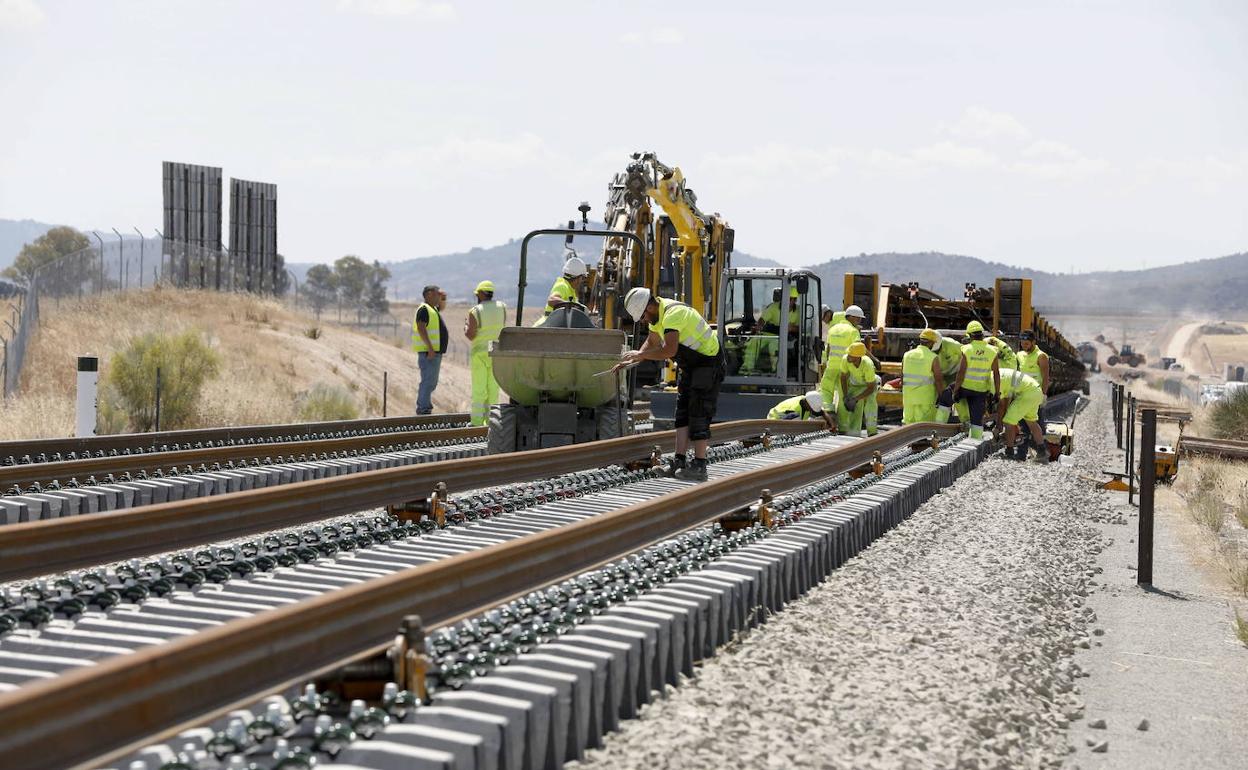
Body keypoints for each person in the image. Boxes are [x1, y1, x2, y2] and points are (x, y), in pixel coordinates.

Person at [618, 287, 724, 481]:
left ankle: (700, 466)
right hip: (691, 365)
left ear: (649, 308)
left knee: (699, 411)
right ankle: (679, 461)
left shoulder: (673, 315)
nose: (642, 320)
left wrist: (640, 355)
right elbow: (652, 342)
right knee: (682, 413)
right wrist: (631, 361)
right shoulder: (657, 317)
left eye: (642, 316)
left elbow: (669, 350)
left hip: (708, 363)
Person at [465, 280, 508, 426]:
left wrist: (466, 326)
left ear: (482, 293)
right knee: (493, 390)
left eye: (478, 294)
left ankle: (476, 422)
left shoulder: (475, 311)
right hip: (496, 353)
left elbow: (470, 335)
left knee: (479, 389)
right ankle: (491, 423)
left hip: (480, 354)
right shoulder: (502, 308)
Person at [818, 304, 868, 423]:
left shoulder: (833, 329)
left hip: (831, 366)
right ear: (851, 317)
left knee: (826, 389)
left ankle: (828, 411)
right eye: (858, 318)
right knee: (842, 392)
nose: (859, 321)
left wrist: (825, 363)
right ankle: (842, 422)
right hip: (845, 368)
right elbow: (857, 350)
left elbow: (828, 348)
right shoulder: (853, 331)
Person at [952, 320, 1001, 439]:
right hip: (981, 391)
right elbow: (996, 374)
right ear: (982, 335)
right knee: (977, 419)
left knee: (945, 397)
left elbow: (961, 372)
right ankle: (975, 440)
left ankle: (939, 428)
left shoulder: (966, 349)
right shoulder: (992, 350)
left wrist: (956, 390)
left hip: (965, 388)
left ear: (969, 336)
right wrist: (997, 392)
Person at [996, 367, 1048, 462]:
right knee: (1032, 422)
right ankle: (1042, 451)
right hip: (1036, 391)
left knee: (1008, 421)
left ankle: (1009, 452)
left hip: (1028, 394)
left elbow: (1002, 403)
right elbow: (1006, 399)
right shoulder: (1001, 373)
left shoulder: (995, 380)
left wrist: (999, 423)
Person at [412, 285, 448, 415]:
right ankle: (423, 408)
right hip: (429, 353)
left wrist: (443, 299)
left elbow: (442, 307)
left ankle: (424, 407)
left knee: (431, 382)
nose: (439, 296)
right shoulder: (424, 309)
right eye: (437, 294)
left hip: (434, 352)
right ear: (429, 294)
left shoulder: (432, 309)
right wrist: (430, 348)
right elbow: (421, 328)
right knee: (428, 381)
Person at [902, 329, 945, 424]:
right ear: (930, 343)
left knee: (908, 424)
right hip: (925, 398)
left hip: (908, 396)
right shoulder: (933, 357)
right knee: (923, 427)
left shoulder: (907, 355)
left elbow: (902, 375)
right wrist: (942, 396)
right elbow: (938, 380)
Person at [838, 341, 878, 435]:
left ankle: (872, 432)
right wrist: (846, 395)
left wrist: (855, 399)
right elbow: (843, 377)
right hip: (855, 385)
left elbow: (871, 388)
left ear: (858, 357)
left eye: (851, 355)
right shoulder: (845, 359)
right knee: (854, 408)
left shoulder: (868, 364)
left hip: (869, 386)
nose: (848, 356)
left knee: (870, 405)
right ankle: (853, 433)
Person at [535, 256, 587, 326]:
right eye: (582, 278)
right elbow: (552, 300)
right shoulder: (562, 285)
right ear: (578, 278)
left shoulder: (570, 290)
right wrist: (572, 306)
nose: (581, 281)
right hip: (545, 329)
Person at [933, 333, 965, 422]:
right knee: (942, 399)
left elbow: (965, 354)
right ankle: (940, 422)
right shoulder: (930, 348)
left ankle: (964, 420)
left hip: (955, 374)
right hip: (940, 375)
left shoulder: (952, 344)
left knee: (958, 398)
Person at [767, 390, 833, 427]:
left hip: (789, 419)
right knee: (799, 423)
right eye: (811, 409)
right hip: (775, 420)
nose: (812, 411)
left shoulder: (807, 402)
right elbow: (794, 427)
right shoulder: (794, 410)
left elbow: (823, 412)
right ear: (807, 404)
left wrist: (832, 425)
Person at [1016, 330, 1050, 398]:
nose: (1024, 346)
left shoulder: (1041, 356)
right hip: (1022, 393)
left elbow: (1045, 378)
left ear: (1033, 342)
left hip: (1035, 394)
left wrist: (1043, 395)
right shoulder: (1019, 355)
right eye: (1022, 343)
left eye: (1026, 344)